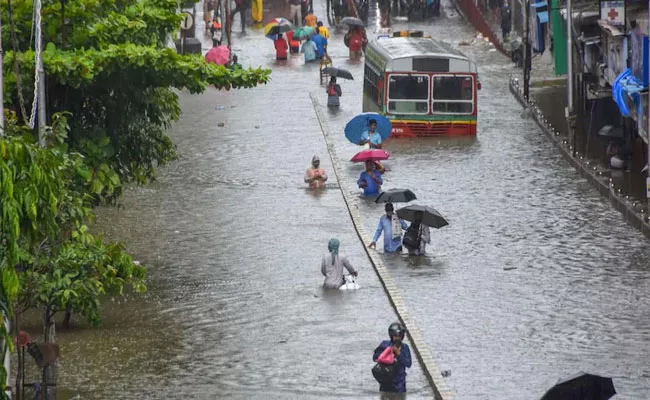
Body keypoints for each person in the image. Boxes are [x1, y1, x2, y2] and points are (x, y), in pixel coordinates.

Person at [373, 322, 412, 393]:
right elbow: (375, 358)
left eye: (399, 336)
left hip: (399, 384)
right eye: (395, 336)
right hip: (386, 382)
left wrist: (399, 354)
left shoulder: (404, 347)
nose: (397, 338)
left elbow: (408, 363)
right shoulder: (385, 344)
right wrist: (387, 353)